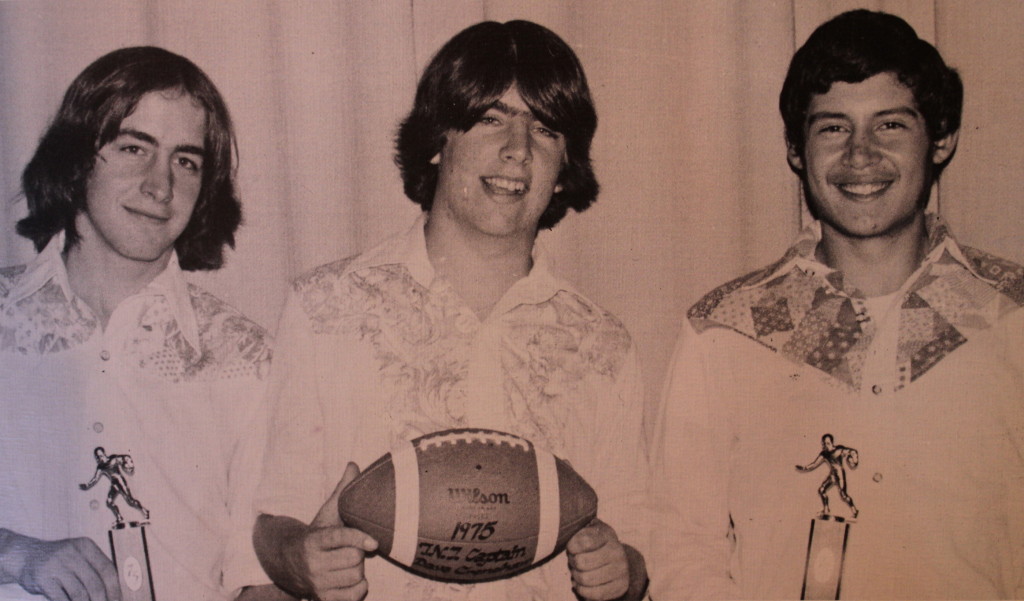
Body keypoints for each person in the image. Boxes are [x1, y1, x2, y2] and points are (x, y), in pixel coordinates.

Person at [245, 20, 650, 601]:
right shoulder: (325, 306)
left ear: (565, 168)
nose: (518, 150)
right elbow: (268, 517)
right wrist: (299, 557)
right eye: (491, 118)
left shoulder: (603, 343)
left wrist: (624, 572)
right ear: (438, 140)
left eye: (545, 128)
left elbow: (638, 541)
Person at [650, 9, 1024, 600]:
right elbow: (681, 549)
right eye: (832, 128)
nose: (860, 154)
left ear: (943, 138)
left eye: (891, 126)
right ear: (796, 150)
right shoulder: (723, 333)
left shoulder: (1012, 317)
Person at [0, 47, 271, 601]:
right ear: (77, 158)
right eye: (133, 148)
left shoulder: (245, 355)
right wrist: (15, 551)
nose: (160, 186)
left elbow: (260, 580)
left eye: (186, 161)